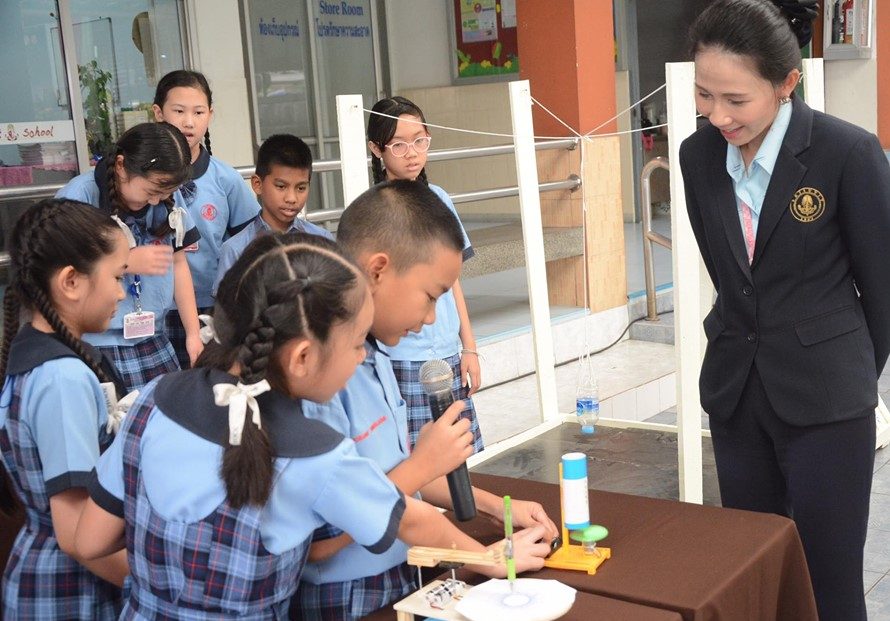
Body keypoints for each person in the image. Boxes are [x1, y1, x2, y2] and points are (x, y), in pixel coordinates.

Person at [74, 232, 545, 619]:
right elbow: (415, 520)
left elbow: (89, 540)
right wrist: (492, 559)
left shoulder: (153, 400)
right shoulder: (314, 452)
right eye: (358, 343)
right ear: (302, 356)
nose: (362, 357)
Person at [681, 1, 890, 618]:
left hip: (827, 406)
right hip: (737, 398)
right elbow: (728, 274)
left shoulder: (845, 154)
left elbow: (884, 290)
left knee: (829, 585)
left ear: (786, 83)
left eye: (736, 100)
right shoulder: (698, 158)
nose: (717, 115)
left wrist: (841, 367)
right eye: (704, 94)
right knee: (754, 574)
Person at [293, 181, 557, 620]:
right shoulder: (320, 377)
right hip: (344, 595)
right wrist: (490, 560)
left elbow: (397, 476)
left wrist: (498, 509)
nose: (432, 317)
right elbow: (319, 541)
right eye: (430, 296)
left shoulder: (376, 354)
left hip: (401, 569)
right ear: (378, 269)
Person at [0, 199, 130, 619]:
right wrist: (157, 587)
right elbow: (77, 534)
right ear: (71, 282)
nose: (121, 293)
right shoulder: (62, 379)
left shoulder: (38, 355)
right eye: (117, 276)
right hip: (71, 588)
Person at [367, 96, 483, 453]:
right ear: (376, 149)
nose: (412, 153)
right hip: (403, 357)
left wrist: (469, 347)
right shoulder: (373, 210)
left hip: (446, 353)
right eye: (398, 145)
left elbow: (453, 282)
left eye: (420, 141)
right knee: (417, 461)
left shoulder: (440, 199)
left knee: (461, 458)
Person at [56, 122, 203, 392]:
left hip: (154, 338)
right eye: (152, 191)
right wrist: (126, 261)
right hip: (98, 343)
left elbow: (179, 264)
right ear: (122, 165)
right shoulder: (79, 197)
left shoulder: (167, 199)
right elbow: (60, 273)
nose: (158, 201)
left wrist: (193, 334)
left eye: (165, 193)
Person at [152, 70, 260, 368]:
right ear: (158, 113)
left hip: (213, 305)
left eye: (198, 112)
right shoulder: (143, 180)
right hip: (156, 308)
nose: (189, 121)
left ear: (209, 115)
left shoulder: (226, 179)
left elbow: (250, 241)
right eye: (178, 111)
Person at [213, 134, 332, 294]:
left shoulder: (322, 240)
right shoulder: (236, 250)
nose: (292, 198)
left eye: (301, 188)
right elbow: (227, 311)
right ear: (257, 184)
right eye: (281, 186)